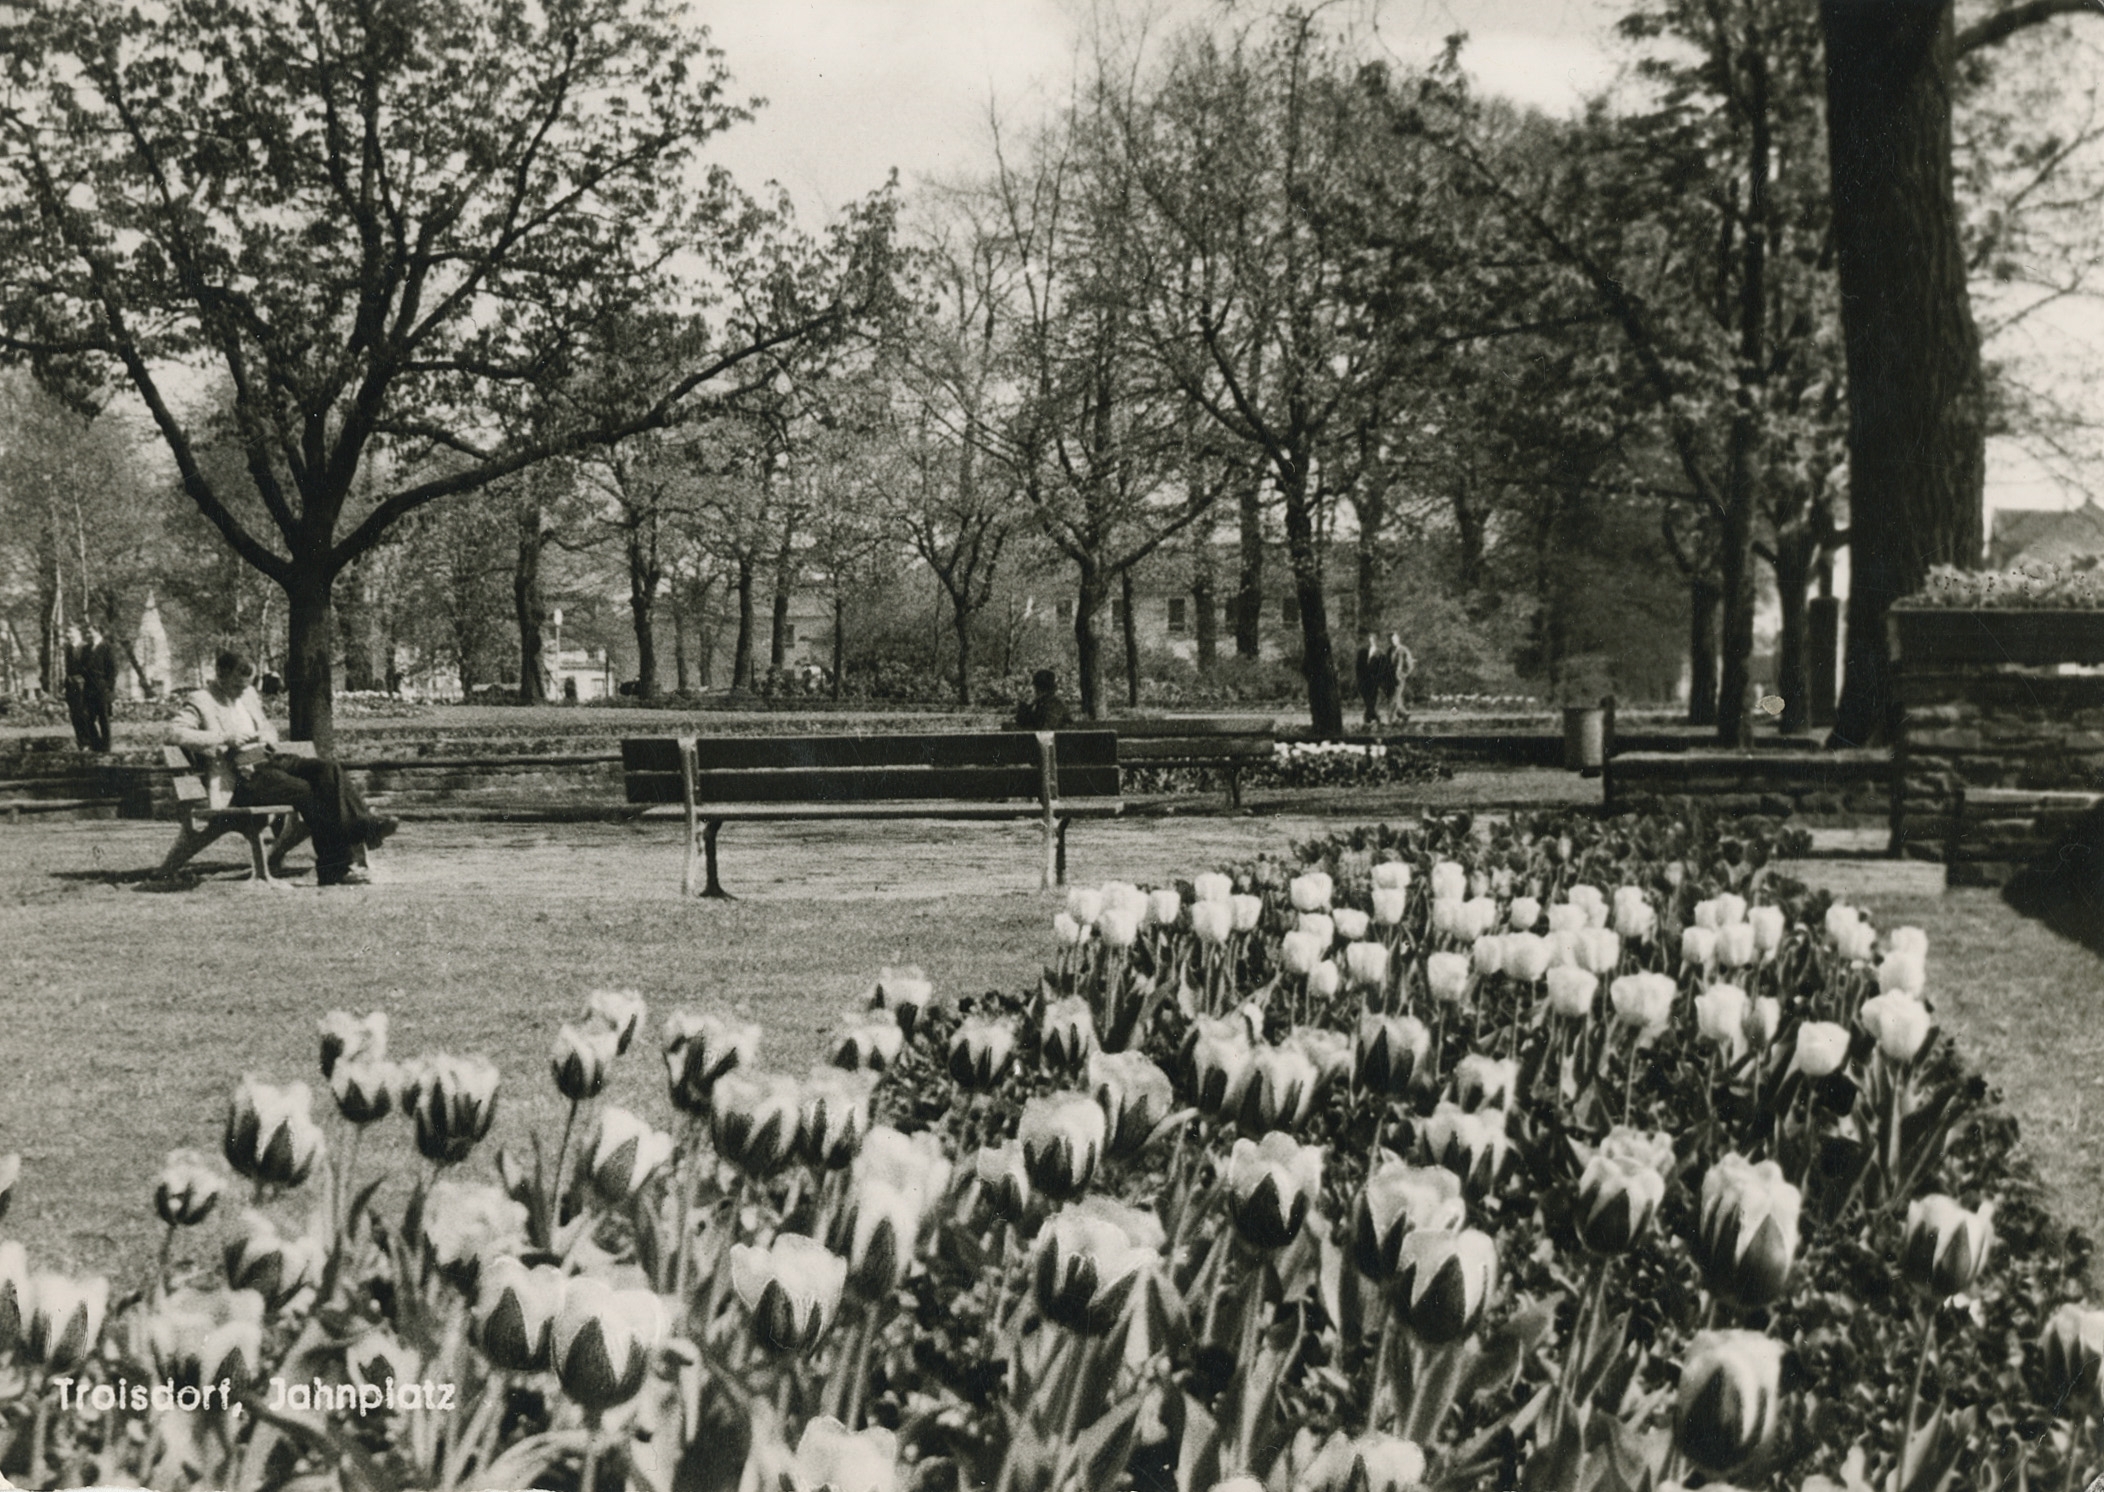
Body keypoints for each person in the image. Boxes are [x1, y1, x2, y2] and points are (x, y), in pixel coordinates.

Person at [169, 649, 397, 886]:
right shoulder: (200, 700)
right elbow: (174, 733)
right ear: (220, 674)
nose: (241, 692)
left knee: (328, 770)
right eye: (237, 686)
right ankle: (338, 864)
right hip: (243, 776)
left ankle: (362, 825)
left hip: (270, 759)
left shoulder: (248, 696)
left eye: (246, 686)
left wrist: (266, 737)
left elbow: (268, 727)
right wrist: (225, 737)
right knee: (309, 792)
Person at [82, 622, 119, 752]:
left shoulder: (107, 647)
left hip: (102, 688)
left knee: (103, 717)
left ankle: (106, 746)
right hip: (89, 688)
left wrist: (108, 687)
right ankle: (96, 744)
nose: (88, 634)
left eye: (90, 632)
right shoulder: (86, 648)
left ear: (98, 632)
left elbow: (113, 670)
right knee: (88, 718)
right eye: (87, 632)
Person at [61, 624, 93, 749]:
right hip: (71, 684)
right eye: (67, 633)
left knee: (84, 712)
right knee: (74, 713)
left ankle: (88, 742)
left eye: (71, 632)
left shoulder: (85, 647)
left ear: (78, 632)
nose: (68, 635)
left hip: (82, 683)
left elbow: (89, 668)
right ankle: (80, 741)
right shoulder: (68, 648)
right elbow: (68, 668)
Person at [1380, 632, 1416, 725]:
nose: (1392, 642)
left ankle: (1390, 719)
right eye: (1390, 640)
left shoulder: (1403, 650)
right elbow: (1386, 665)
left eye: (1394, 639)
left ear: (1398, 639)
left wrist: (1403, 674)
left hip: (1399, 679)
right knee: (1395, 698)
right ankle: (1405, 714)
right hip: (1389, 679)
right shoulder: (1389, 650)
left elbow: (1410, 665)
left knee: (1394, 699)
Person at [1353, 632, 1383, 728]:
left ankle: (1370, 719)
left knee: (1372, 701)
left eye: (1372, 640)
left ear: (1375, 641)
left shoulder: (1379, 653)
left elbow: (1382, 668)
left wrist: (1379, 680)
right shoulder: (1362, 652)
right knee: (1367, 700)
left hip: (1374, 681)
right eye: (1368, 640)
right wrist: (1359, 679)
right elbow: (1358, 667)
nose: (1370, 642)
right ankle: (1373, 718)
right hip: (1364, 681)